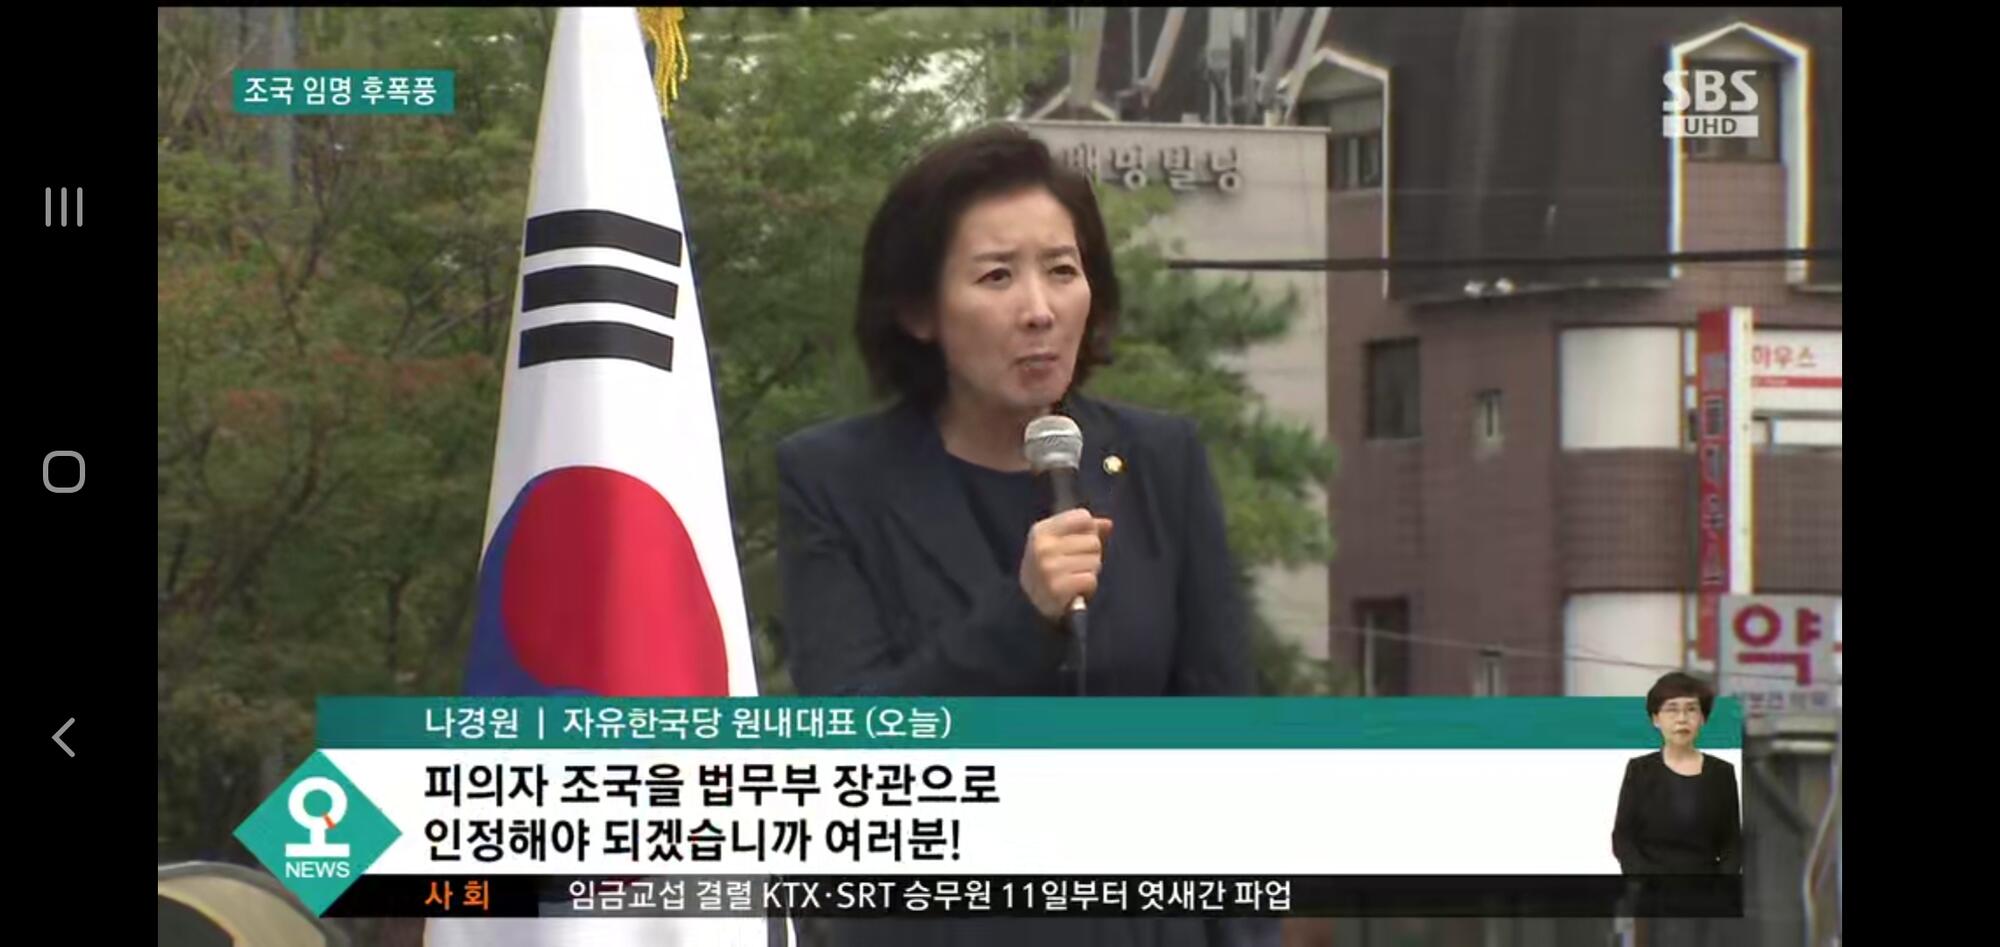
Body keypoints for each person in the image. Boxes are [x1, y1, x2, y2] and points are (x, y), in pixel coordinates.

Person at [776, 125, 1272, 945]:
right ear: (919, 310)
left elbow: (1224, 760)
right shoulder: (835, 481)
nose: (1039, 309)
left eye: (1063, 271)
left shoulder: (1161, 460)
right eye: (997, 276)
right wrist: (1021, 615)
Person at [1612, 671, 1743, 875]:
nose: (1682, 719)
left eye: (1691, 709)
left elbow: (1732, 843)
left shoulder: (1722, 772)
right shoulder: (1639, 770)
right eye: (1672, 710)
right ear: (1656, 719)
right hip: (1649, 886)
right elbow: (1623, 838)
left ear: (1703, 718)